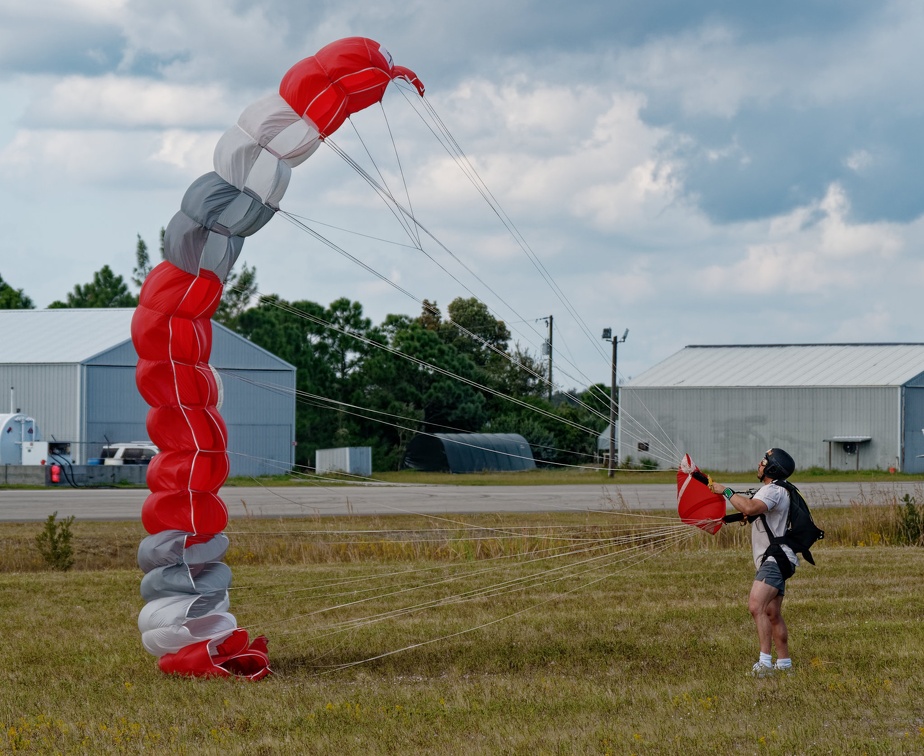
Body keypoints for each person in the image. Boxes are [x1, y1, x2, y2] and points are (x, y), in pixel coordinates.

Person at [710, 448, 798, 677]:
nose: (759, 465)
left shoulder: (772, 490)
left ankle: (765, 665)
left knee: (755, 605)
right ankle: (785, 665)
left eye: (763, 462)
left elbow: (749, 507)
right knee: (771, 613)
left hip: (775, 559)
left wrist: (725, 491)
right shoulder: (777, 491)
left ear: (771, 468)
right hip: (780, 557)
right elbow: (751, 512)